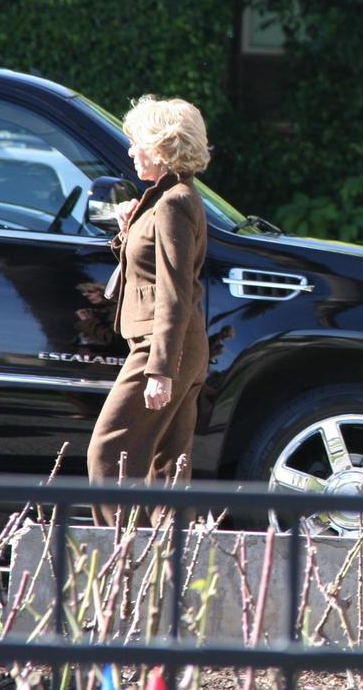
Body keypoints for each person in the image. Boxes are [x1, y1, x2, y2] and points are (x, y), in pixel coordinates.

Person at [86, 95, 211, 526]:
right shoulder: (166, 198)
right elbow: (147, 270)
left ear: (160, 146)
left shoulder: (174, 202)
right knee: (167, 471)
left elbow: (175, 290)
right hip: (177, 347)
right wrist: (128, 230)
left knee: (108, 451)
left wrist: (161, 368)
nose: (129, 150)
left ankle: (119, 564)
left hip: (163, 347)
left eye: (135, 141)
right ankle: (169, 576)